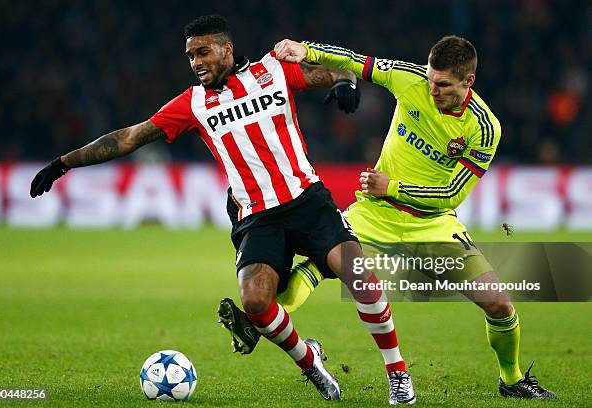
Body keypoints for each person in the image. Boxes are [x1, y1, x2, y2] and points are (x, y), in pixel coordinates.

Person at [29, 15, 415, 404]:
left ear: (226, 49)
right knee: (255, 302)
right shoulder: (192, 104)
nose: (196, 62)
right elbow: (129, 137)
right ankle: (310, 361)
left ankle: (397, 374)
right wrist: (64, 162)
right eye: (190, 55)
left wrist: (346, 83)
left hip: (308, 200)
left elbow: (328, 72)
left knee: (360, 276)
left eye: (203, 52)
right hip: (257, 217)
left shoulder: (274, 70)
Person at [218, 35, 557, 401]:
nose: (432, 89)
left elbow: (451, 194)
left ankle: (512, 379)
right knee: (317, 269)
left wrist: (392, 187)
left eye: (442, 85)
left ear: (467, 82)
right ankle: (258, 321)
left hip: (432, 222)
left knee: (499, 304)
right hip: (373, 213)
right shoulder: (410, 79)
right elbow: (357, 61)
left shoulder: (483, 128)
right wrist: (307, 51)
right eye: (430, 79)